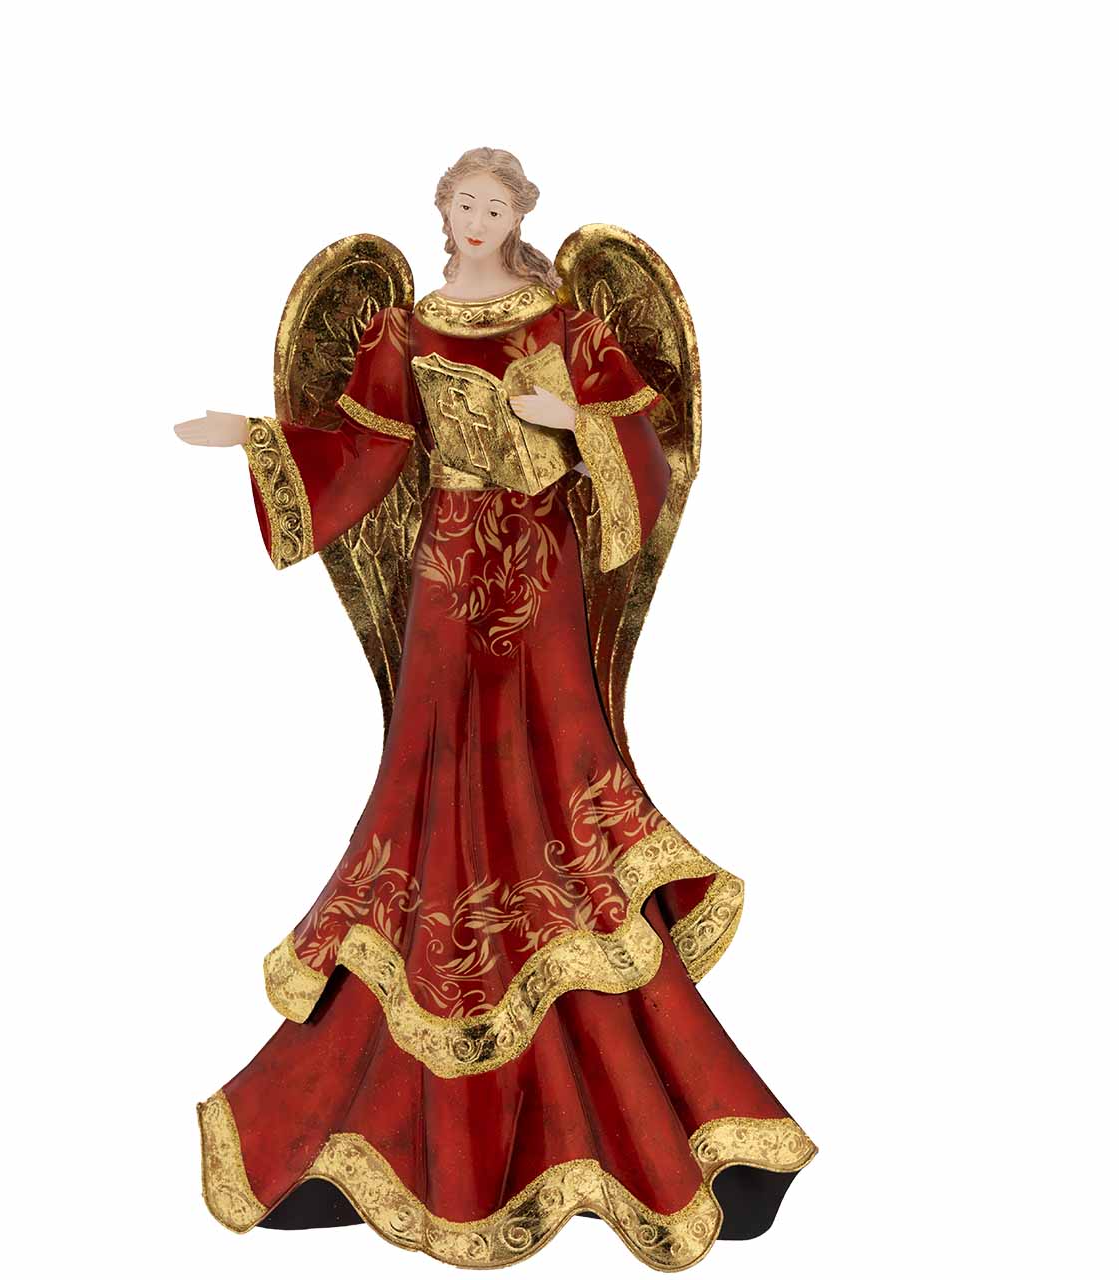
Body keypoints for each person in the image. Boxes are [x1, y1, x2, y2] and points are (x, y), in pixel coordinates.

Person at [177, 147, 816, 1272]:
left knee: (557, 799)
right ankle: (383, 1123)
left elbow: (644, 441)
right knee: (437, 806)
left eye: (495, 204)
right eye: (461, 203)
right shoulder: (405, 331)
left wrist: (569, 419)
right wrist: (257, 438)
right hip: (445, 585)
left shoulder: (564, 321)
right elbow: (365, 450)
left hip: (541, 582)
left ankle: (659, 1113)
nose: (476, 218)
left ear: (520, 213)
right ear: (443, 213)